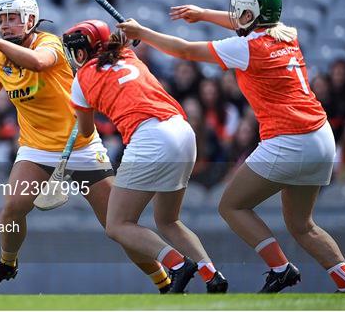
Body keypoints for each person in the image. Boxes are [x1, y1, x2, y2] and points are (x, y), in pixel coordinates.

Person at [116, 0, 345, 293]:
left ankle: (281, 268)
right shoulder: (287, 35)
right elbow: (247, 24)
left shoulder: (247, 48)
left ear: (250, 15)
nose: (233, 17)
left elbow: (184, 50)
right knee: (303, 225)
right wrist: (204, 14)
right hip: (321, 138)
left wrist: (143, 32)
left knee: (232, 206)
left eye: (239, 12)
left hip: (289, 139)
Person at [0, 0, 172, 293]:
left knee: (118, 226)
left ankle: (164, 282)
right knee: (13, 208)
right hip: (36, 149)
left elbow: (38, 63)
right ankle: (8, 263)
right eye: (1, 20)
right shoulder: (1, 56)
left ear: (30, 20)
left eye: (12, 18)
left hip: (81, 146)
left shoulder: (50, 44)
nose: (5, 25)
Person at [62, 20, 228, 294]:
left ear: (83, 51)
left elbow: (87, 130)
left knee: (117, 225)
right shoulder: (127, 54)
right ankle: (211, 275)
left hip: (150, 138)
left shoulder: (80, 80)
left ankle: (177, 265)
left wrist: (79, 110)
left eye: (75, 51)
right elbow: (126, 38)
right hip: (183, 131)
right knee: (168, 220)